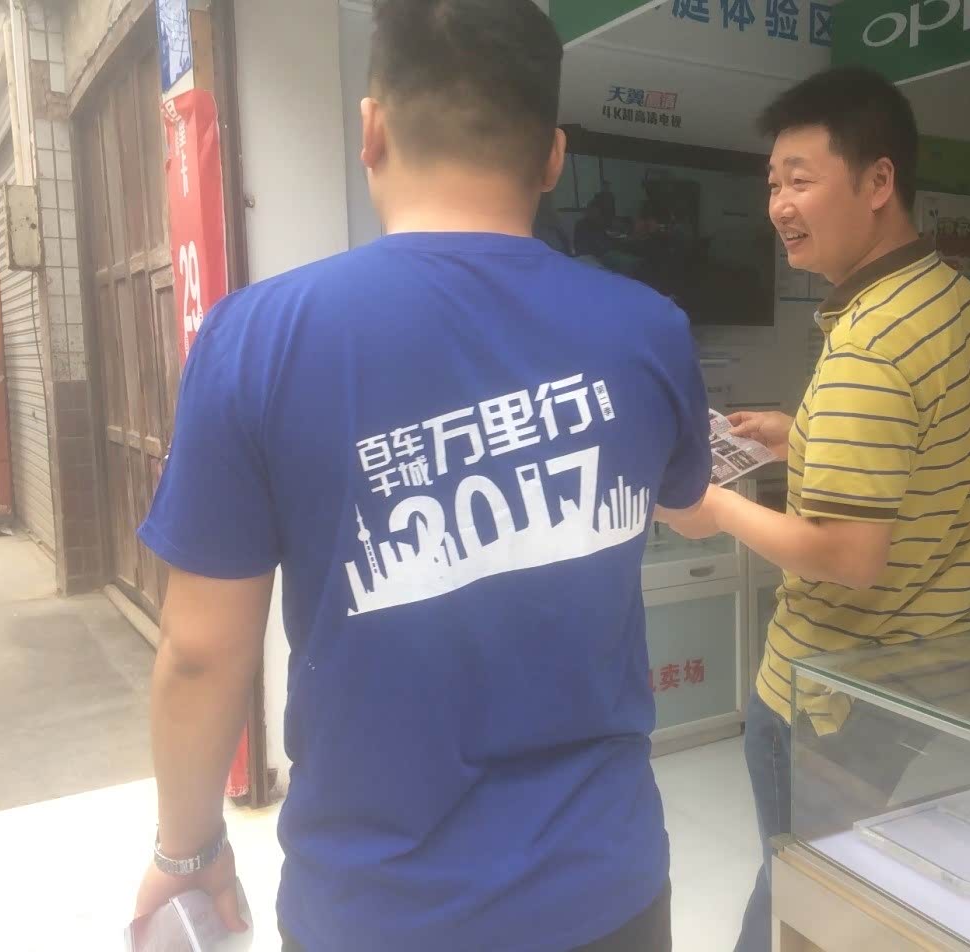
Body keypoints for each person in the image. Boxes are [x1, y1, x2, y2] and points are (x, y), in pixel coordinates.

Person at [132, 2, 711, 950]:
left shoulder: (255, 340)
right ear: (553, 158)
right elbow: (681, 500)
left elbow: (201, 653)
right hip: (606, 890)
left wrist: (188, 851)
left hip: (374, 909)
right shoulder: (650, 329)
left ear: (370, 130)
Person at [656, 67, 970, 952]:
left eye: (800, 179)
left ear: (878, 180)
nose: (778, 205)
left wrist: (714, 509)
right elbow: (933, 462)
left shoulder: (868, 344)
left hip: (836, 703)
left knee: (798, 902)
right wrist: (800, 436)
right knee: (862, 902)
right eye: (771, 182)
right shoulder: (954, 300)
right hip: (944, 681)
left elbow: (848, 556)